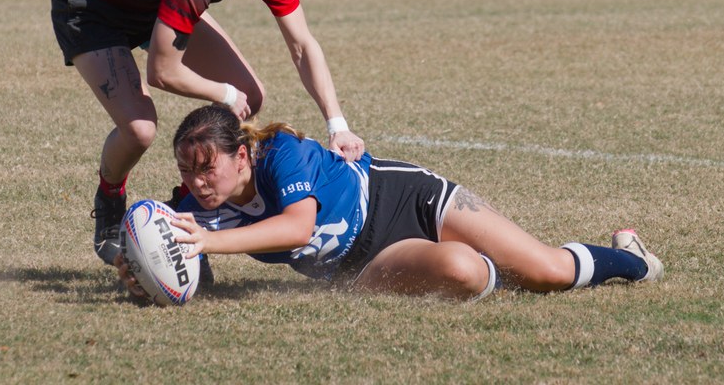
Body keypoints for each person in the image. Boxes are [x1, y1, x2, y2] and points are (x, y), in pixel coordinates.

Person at [50, 0, 365, 267]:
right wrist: (224, 94)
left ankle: (185, 210)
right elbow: (162, 71)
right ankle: (110, 198)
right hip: (91, 6)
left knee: (251, 94)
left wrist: (337, 124)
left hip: (154, 0)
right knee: (140, 130)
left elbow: (302, 43)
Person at [118, 103, 664, 301]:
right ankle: (493, 271)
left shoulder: (282, 152)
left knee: (547, 272)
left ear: (241, 155)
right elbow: (182, 262)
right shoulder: (194, 206)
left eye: (206, 167)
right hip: (362, 265)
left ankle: (633, 258)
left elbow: (297, 228)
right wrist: (143, 269)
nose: (196, 181)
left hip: (406, 199)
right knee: (464, 272)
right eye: (186, 170)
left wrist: (208, 242)